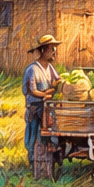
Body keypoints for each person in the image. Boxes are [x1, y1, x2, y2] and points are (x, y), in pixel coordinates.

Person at [22, 35, 60, 169]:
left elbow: (58, 80)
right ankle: (33, 163)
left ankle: (49, 160)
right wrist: (46, 94)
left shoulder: (49, 68)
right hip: (35, 107)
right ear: (44, 50)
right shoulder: (32, 69)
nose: (55, 52)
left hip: (47, 106)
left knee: (49, 134)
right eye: (52, 49)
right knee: (33, 137)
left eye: (55, 49)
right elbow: (32, 90)